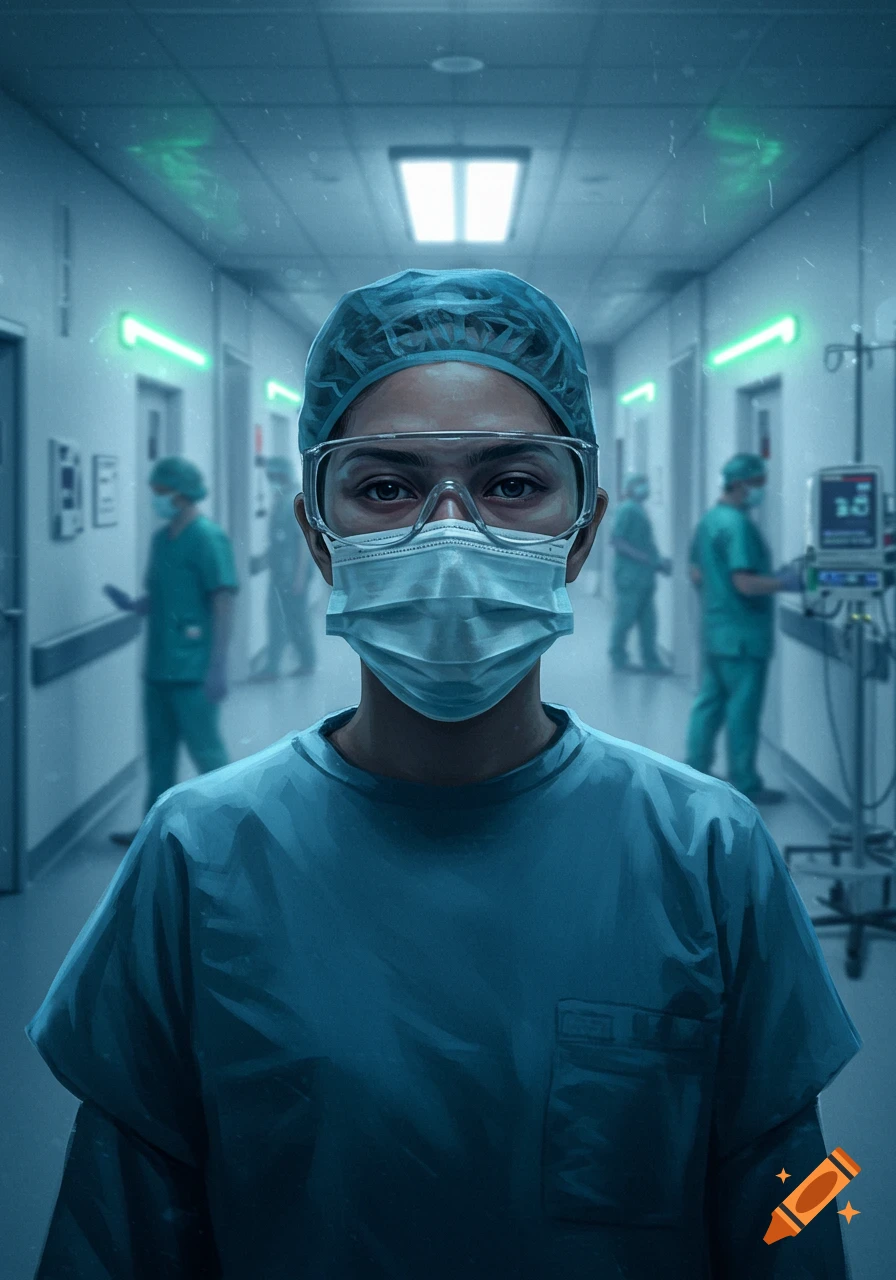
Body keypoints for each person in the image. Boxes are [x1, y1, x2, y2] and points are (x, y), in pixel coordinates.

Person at [28, 272, 858, 1280]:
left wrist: (809, 1220)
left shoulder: (707, 851)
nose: (451, 532)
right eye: (385, 486)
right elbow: (116, 1232)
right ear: (317, 537)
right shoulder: (196, 855)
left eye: (512, 483)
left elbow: (792, 1189)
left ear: (580, 531)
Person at [103, 456, 238, 846]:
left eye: (160, 493)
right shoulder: (162, 540)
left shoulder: (208, 538)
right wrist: (134, 605)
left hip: (193, 669)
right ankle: (151, 831)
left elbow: (223, 601)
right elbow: (165, 596)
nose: (156, 500)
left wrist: (218, 667)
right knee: (159, 757)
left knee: (208, 754)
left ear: (180, 493)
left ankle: (234, 829)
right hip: (159, 667)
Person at [685, 452, 804, 805]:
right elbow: (746, 583)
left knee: (708, 703)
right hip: (743, 637)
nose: (761, 491)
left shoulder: (710, 521)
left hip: (717, 630)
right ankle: (746, 783)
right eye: (758, 484)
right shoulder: (738, 526)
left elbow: (696, 573)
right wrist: (788, 583)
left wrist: (719, 598)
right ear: (740, 484)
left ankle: (694, 770)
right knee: (742, 712)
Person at [253, 454, 316, 680]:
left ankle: (307, 661)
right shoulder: (280, 499)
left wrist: (299, 576)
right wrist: (263, 560)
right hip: (281, 571)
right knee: (276, 616)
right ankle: (273, 666)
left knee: (295, 617)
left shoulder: (293, 500)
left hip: (292, 573)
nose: (272, 480)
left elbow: (302, 541)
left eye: (274, 476)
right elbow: (278, 541)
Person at [609, 471, 673, 673]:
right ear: (630, 487)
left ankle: (651, 662)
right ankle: (618, 657)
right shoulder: (627, 509)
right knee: (625, 619)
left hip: (644, 577)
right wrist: (647, 559)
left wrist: (657, 562)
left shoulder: (638, 509)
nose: (644, 488)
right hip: (630, 576)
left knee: (649, 623)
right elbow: (617, 541)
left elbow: (644, 543)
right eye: (640, 484)